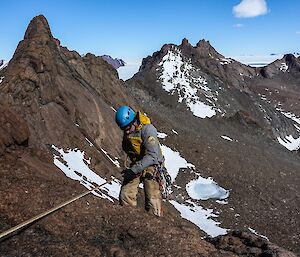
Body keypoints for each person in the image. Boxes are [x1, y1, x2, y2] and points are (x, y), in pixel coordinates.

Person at [115, 105, 165, 217]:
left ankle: (155, 220)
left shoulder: (148, 130)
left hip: (152, 164)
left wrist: (134, 170)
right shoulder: (130, 130)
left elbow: (153, 156)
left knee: (152, 195)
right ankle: (128, 217)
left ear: (134, 122)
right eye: (123, 129)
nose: (126, 132)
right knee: (126, 193)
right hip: (137, 163)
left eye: (127, 128)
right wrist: (133, 169)